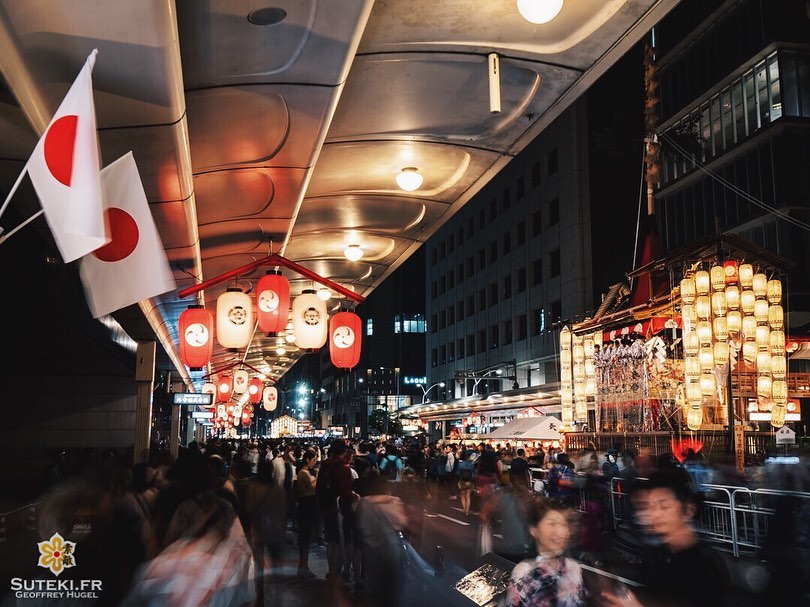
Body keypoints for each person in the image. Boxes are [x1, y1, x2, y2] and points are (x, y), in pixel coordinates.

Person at [600, 469, 730, 607]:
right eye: (651, 507)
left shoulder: (705, 563)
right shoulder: (661, 554)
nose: (655, 514)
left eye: (664, 506)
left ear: (689, 510)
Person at [507, 497, 586, 607]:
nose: (560, 532)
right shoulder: (524, 574)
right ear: (534, 530)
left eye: (563, 525)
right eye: (552, 524)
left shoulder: (574, 569)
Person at [294, 448, 320, 578]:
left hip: (307, 504)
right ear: (307, 460)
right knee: (305, 537)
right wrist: (317, 476)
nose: (314, 463)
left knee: (306, 537)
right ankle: (302, 566)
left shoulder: (306, 472)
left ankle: (304, 566)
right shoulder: (303, 473)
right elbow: (312, 487)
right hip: (306, 505)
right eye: (314, 460)